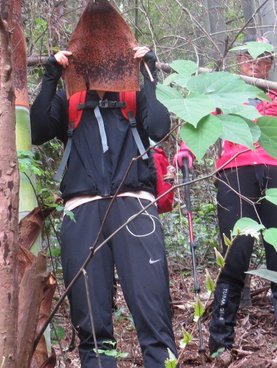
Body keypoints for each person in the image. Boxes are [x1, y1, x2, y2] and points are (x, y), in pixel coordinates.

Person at [31, 45, 178, 368]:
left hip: (134, 206)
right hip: (82, 210)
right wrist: (51, 76)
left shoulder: (133, 96)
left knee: (153, 316)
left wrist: (148, 73)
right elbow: (38, 131)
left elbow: (158, 127)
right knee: (92, 328)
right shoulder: (68, 102)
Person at [177, 39, 277, 355]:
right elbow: (200, 119)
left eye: (262, 58)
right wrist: (186, 150)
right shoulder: (224, 90)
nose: (254, 64)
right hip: (235, 174)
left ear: (270, 63)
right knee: (235, 257)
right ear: (238, 60)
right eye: (247, 57)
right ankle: (220, 342)